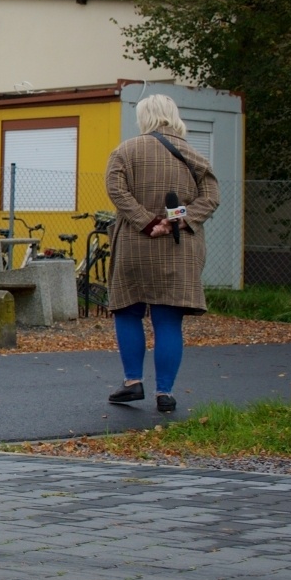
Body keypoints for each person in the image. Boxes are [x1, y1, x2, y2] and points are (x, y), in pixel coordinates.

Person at [104, 94, 221, 413]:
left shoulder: (125, 150)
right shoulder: (193, 154)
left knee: (128, 311)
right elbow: (210, 198)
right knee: (168, 319)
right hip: (178, 249)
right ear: (173, 115)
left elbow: (116, 191)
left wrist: (146, 222)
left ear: (145, 117)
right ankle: (165, 393)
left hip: (134, 245)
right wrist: (173, 223)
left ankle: (132, 382)